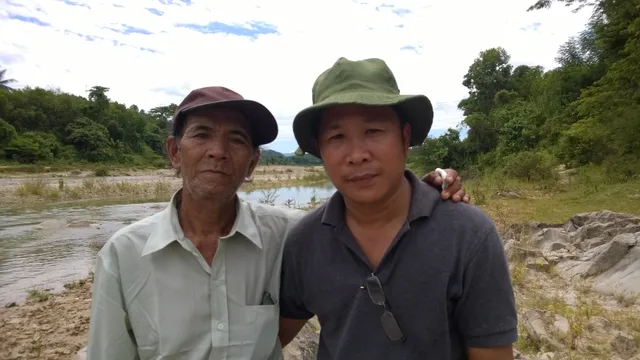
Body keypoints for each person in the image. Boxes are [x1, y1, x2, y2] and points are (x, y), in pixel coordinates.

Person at [86, 85, 471, 359]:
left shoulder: (291, 236)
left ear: (253, 163)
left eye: (236, 140)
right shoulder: (125, 255)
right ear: (174, 152)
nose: (218, 152)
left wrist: (428, 190)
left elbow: (366, 222)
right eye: (201, 135)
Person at [278, 57, 518, 360]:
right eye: (337, 137)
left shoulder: (468, 234)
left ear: (404, 138)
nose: (357, 155)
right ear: (320, 151)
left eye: (373, 131)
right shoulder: (305, 241)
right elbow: (270, 337)